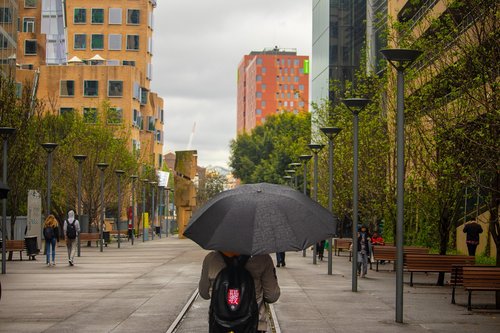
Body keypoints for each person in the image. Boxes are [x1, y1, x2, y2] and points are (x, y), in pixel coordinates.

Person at [199, 251, 280, 333]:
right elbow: (272, 296)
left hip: (220, 325)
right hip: (254, 325)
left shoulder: (211, 259)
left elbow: (204, 293)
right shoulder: (263, 258)